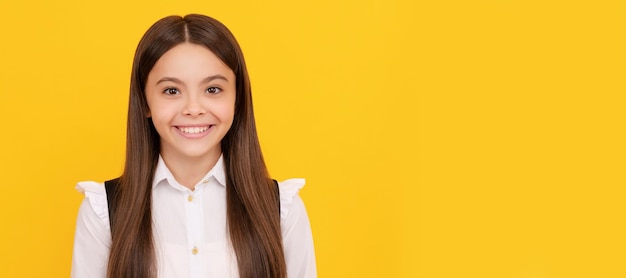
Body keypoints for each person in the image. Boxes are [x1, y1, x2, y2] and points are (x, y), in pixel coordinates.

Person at [71, 14, 316, 278]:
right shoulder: (103, 212)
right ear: (144, 102)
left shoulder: (282, 210)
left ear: (237, 98)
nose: (193, 109)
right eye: (171, 91)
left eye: (212, 89)